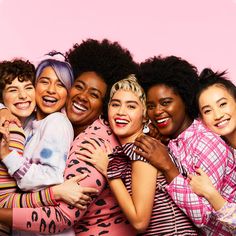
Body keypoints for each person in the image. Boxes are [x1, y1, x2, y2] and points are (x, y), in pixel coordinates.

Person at [0, 38, 138, 235]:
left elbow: (61, 217)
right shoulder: (32, 122)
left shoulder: (89, 141)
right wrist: (2, 109)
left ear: (104, 104)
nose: (82, 96)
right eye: (79, 86)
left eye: (94, 94)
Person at [76, 75, 199, 235]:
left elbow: (140, 222)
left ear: (144, 115)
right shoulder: (135, 149)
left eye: (131, 106)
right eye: (115, 104)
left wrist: (109, 172)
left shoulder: (143, 151)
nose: (121, 112)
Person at [134, 56, 236, 235]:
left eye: (166, 103)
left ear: (185, 100)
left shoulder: (207, 143)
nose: (157, 111)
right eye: (151, 106)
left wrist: (168, 167)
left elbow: (202, 216)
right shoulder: (172, 142)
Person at [0, 56, 97, 236]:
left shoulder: (57, 123)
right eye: (44, 82)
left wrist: (7, 155)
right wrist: (2, 109)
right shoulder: (26, 121)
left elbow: (50, 177)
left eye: (60, 85)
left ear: (67, 93)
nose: (51, 90)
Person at [187, 68, 236, 233]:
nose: (218, 115)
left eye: (223, 104)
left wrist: (210, 193)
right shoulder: (216, 151)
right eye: (207, 110)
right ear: (201, 119)